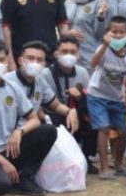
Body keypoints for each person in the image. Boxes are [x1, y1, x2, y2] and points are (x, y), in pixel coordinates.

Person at [0, 39, 57, 196]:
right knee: (0, 186)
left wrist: (19, 132)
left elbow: (34, 119)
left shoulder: (12, 87)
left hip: (9, 147)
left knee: (48, 131)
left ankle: (24, 176)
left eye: (1, 59)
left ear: (8, 61)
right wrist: (2, 161)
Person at [87, 16, 126, 179]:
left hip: (117, 98)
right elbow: (93, 64)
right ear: (107, 33)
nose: (118, 35)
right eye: (114, 32)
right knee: (104, 128)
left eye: (122, 32)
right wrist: (105, 45)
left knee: (123, 130)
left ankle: (118, 164)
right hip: (97, 95)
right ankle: (103, 167)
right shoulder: (103, 49)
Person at [41, 35, 98, 174]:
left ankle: (87, 158)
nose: (68, 55)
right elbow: (43, 102)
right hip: (54, 115)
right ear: (56, 54)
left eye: (72, 52)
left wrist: (80, 96)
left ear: (78, 54)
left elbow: (89, 99)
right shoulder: (45, 74)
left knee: (94, 119)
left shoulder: (82, 72)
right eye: (64, 51)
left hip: (77, 112)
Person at [4, 41, 79, 133]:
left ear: (44, 64)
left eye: (39, 60)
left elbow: (56, 105)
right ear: (20, 60)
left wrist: (70, 112)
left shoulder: (40, 80)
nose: (35, 62)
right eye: (30, 58)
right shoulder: (6, 81)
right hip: (8, 132)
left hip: (27, 130)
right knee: (49, 131)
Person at [65, 0, 108, 70]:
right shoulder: (69, 1)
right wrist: (68, 33)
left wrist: (100, 17)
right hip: (70, 56)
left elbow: (100, 35)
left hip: (90, 57)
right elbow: (61, 27)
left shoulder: (99, 2)